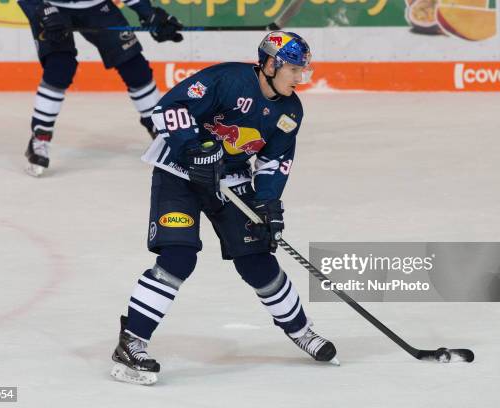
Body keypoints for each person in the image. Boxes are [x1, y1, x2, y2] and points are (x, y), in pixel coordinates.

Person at [110, 31, 338, 386]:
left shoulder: (290, 110)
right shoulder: (226, 80)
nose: (299, 77)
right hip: (179, 173)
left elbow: (274, 161)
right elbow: (169, 108)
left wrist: (267, 203)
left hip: (230, 181)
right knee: (177, 257)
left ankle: (302, 331)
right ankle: (132, 341)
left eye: (302, 70)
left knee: (258, 260)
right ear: (270, 64)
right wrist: (192, 150)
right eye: (293, 69)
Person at [17, 0, 183, 176]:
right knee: (60, 67)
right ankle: (40, 136)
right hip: (50, 5)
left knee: (135, 68)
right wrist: (40, 9)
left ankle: (159, 128)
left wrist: (148, 12)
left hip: (96, 6)